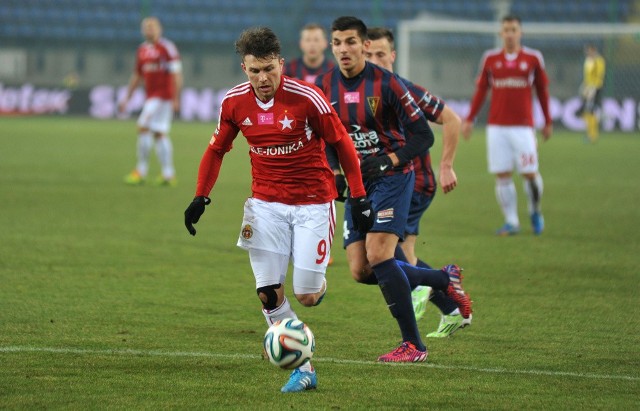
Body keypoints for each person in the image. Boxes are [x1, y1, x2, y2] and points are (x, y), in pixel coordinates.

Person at [183, 27, 373, 393]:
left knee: (307, 295)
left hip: (313, 203)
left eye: (269, 69)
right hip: (265, 206)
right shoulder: (234, 102)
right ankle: (304, 368)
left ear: (281, 64)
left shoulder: (307, 98)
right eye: (254, 71)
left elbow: (341, 142)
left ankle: (314, 282)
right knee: (268, 293)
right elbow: (216, 149)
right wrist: (200, 196)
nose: (262, 78)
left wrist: (360, 195)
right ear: (244, 68)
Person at [317, 16, 471, 362]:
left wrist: (390, 159)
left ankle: (413, 345)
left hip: (392, 178)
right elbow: (325, 133)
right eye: (338, 43)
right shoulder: (324, 85)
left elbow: (423, 136)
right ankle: (442, 279)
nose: (344, 49)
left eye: (351, 42)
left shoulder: (387, 84)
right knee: (360, 269)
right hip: (357, 182)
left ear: (364, 46)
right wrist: (335, 171)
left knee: (381, 255)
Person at [363, 27, 471, 337]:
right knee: (393, 254)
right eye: (369, 55)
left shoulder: (402, 89)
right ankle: (450, 306)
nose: (374, 60)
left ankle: (434, 289)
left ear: (393, 56)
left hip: (413, 182)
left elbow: (451, 119)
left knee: (390, 254)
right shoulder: (358, 92)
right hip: (385, 183)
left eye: (380, 54)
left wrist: (447, 165)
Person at [461, 14, 552, 236]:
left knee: (529, 172)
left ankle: (535, 211)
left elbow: (542, 90)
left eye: (514, 29)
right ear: (501, 34)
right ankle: (511, 221)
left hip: (523, 127)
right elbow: (482, 90)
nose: (510, 34)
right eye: (506, 30)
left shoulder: (533, 58)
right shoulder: (490, 59)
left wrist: (547, 121)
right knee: (502, 174)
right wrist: (470, 118)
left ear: (520, 32)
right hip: (497, 127)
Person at [119, 17, 182, 186]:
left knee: (143, 127)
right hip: (151, 97)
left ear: (159, 29)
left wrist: (176, 98)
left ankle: (141, 171)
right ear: (142, 31)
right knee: (159, 133)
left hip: (163, 97)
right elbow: (137, 76)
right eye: (146, 27)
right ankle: (168, 174)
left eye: (152, 27)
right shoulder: (142, 50)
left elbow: (176, 74)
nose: (150, 30)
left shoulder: (167, 48)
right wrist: (127, 97)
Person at [578, 43, 606, 143]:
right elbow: (587, 76)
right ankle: (590, 134)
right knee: (586, 111)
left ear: (594, 50)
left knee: (590, 110)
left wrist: (593, 88)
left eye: (589, 50)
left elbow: (599, 76)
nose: (588, 52)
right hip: (588, 88)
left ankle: (593, 135)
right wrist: (584, 86)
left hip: (595, 88)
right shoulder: (588, 60)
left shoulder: (599, 60)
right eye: (587, 50)